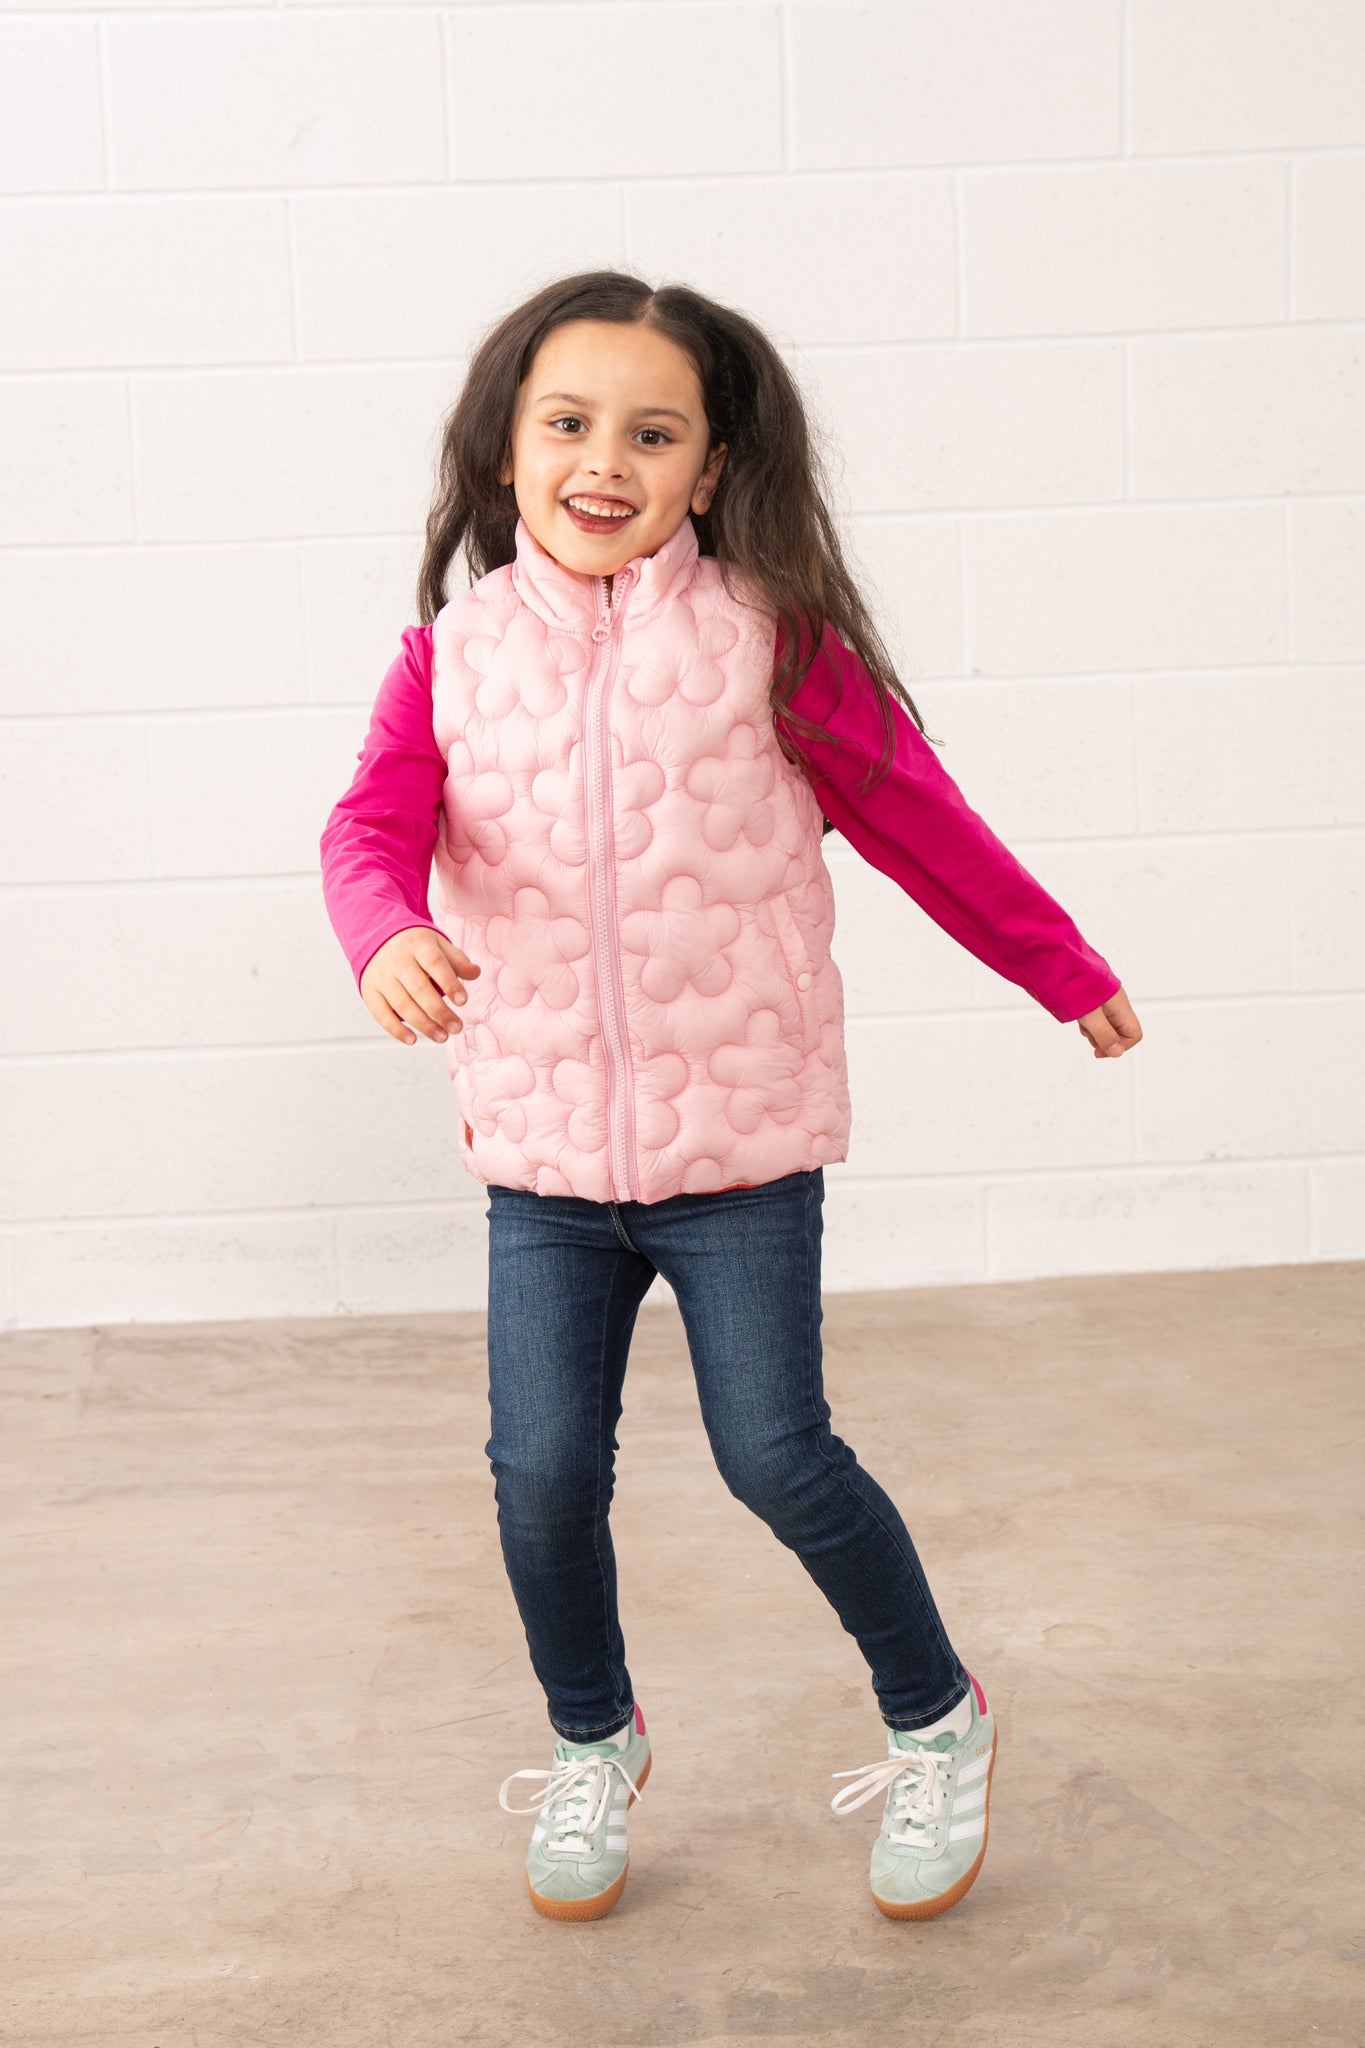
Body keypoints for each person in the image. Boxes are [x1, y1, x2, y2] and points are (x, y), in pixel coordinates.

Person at [319, 269, 1142, 1927]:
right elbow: (368, 829)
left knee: (776, 1455)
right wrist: (385, 932)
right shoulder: (450, 658)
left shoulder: (770, 641)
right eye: (567, 422)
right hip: (544, 1163)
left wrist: (1056, 966)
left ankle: (937, 1717)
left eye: (652, 432)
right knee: (541, 1477)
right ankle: (592, 1738)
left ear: (709, 466)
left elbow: (920, 818)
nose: (602, 461)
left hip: (741, 1154)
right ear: (503, 449)